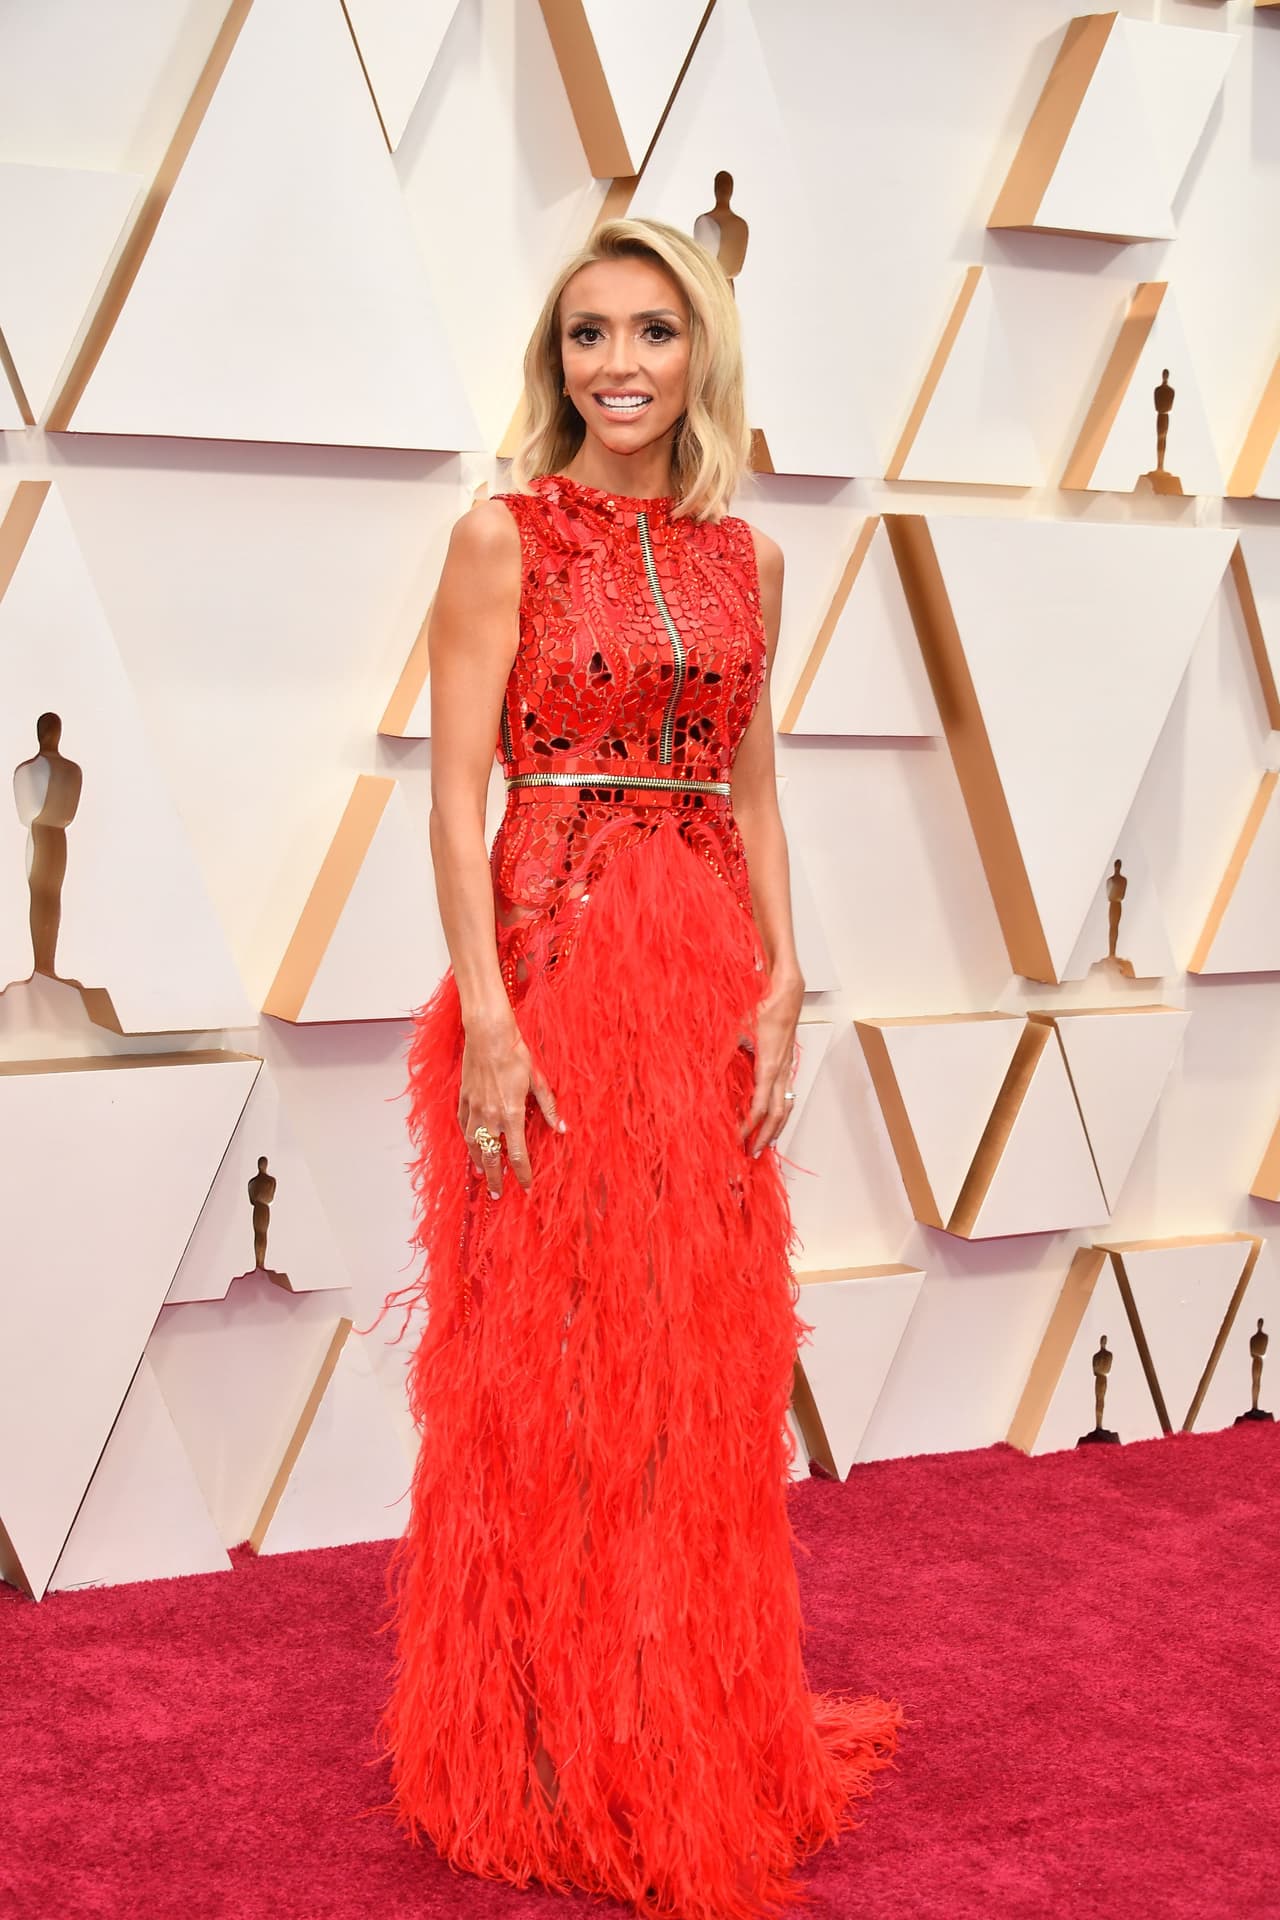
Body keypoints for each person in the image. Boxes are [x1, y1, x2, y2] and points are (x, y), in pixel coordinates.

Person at [373, 216, 904, 1920]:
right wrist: (493, 1016)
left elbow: (751, 791)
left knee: (691, 1366)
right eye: (589, 334)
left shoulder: (746, 561)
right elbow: (456, 798)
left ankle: (680, 1714)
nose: (620, 365)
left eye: (653, 332)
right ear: (557, 359)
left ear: (702, 354)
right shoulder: (499, 536)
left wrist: (788, 973)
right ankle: (540, 1740)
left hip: (702, 982)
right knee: (553, 1361)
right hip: (552, 962)